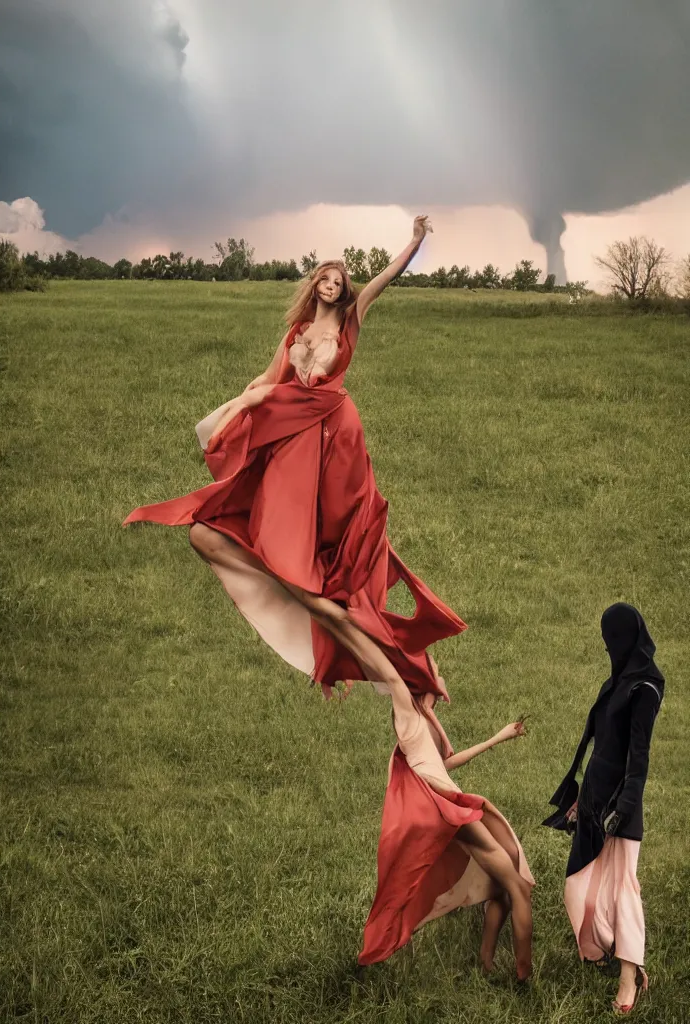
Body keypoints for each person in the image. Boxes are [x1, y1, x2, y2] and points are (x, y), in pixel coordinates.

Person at [124, 217, 468, 705]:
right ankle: (323, 598)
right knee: (280, 515)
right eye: (325, 279)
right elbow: (269, 379)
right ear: (315, 286)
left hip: (338, 429)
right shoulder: (297, 331)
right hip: (297, 431)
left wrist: (414, 241)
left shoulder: (351, 319)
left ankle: (362, 609)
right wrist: (236, 406)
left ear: (345, 290)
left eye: (339, 281)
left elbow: (384, 279)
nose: (332, 286)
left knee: (338, 525)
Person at [359, 661, 534, 980]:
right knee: (518, 888)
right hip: (445, 810)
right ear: (427, 681)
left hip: (448, 807)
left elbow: (445, 764)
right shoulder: (411, 718)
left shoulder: (424, 717)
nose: (442, 672)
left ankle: (486, 964)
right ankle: (525, 978)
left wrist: (498, 738)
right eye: (436, 669)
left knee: (502, 892)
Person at [543, 603, 664, 1015]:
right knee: (579, 889)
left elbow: (639, 758)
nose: (608, 647)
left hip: (622, 804)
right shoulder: (615, 682)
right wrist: (581, 796)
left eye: (612, 639)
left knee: (623, 889)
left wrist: (624, 807)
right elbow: (599, 747)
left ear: (627, 638)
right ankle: (610, 950)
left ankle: (630, 976)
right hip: (596, 795)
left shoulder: (645, 687)